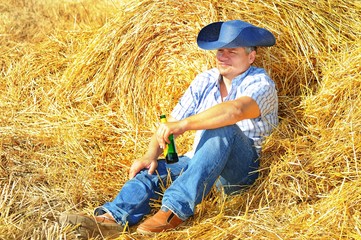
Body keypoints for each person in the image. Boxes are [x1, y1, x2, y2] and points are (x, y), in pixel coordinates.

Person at [60, 19, 278, 238]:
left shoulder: (261, 83)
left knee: (224, 128)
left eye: (233, 51)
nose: (223, 56)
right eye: (221, 50)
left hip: (238, 172)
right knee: (151, 173)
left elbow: (235, 111)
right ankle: (110, 220)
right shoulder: (205, 80)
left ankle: (175, 209)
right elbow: (169, 121)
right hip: (198, 163)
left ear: (251, 57)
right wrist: (150, 154)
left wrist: (185, 125)